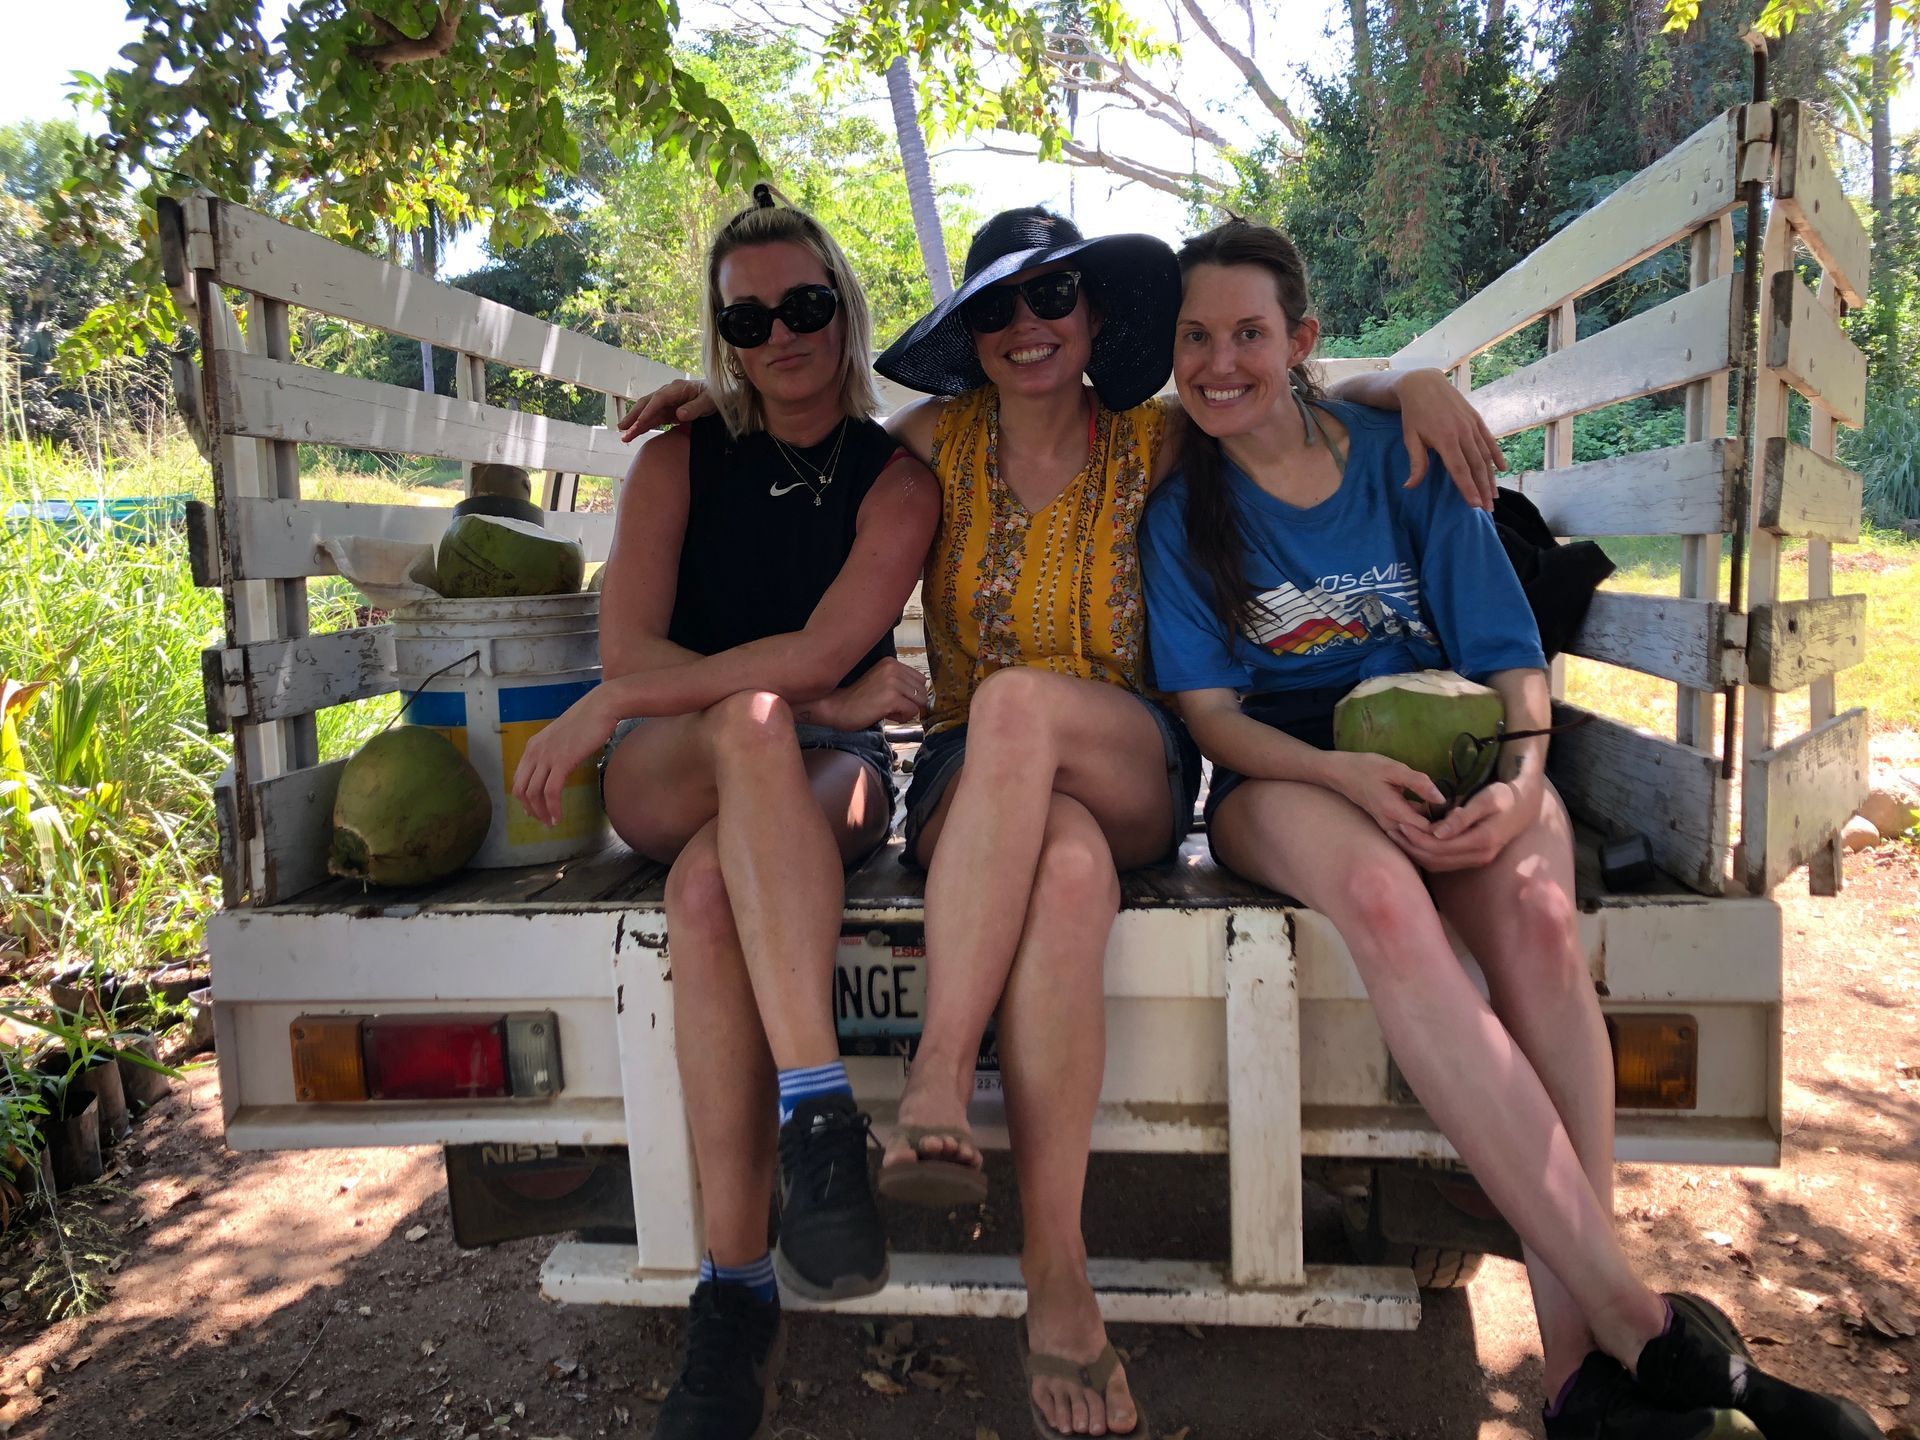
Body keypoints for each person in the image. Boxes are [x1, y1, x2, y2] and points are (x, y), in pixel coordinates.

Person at [620, 204, 1502, 1440]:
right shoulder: (928, 444)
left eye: (1052, 301)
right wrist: (706, 401)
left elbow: (1277, 390)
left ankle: (939, 1081)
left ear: (1095, 316)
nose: (1026, 328)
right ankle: (1057, 1275)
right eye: (997, 308)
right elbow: (797, 415)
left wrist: (1406, 381)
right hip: (970, 782)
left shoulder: (1159, 440)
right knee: (1069, 872)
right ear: (970, 333)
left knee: (1038, 721)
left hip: (1127, 754)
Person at [1139, 217, 1885, 1440]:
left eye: (1249, 333)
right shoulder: (1185, 511)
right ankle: (1642, 1323)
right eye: (1196, 338)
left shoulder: (1402, 460)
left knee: (1541, 919)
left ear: (1302, 341)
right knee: (1384, 905)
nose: (1222, 362)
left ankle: (1575, 1376)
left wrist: (1522, 774)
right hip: (1287, 782)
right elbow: (1215, 718)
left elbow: (1505, 656)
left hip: (1468, 748)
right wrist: (1345, 783)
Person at [510, 185, 940, 1440]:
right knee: (751, 723)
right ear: (720, 340)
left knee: (707, 897)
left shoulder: (895, 481)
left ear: (845, 313)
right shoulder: (679, 458)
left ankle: (734, 1294)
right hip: (673, 758)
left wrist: (821, 685)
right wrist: (635, 705)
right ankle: (820, 1111)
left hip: (820, 764)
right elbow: (645, 643)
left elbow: (822, 654)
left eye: (805, 305)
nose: (780, 337)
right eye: (746, 322)